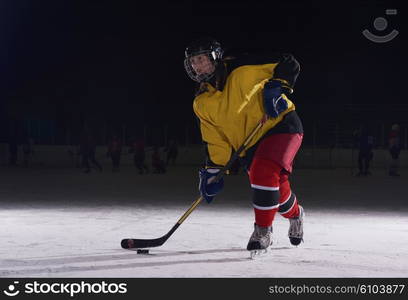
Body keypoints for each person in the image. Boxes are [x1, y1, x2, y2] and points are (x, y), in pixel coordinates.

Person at [184, 37, 304, 254]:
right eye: (193, 62)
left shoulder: (243, 65)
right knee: (276, 190)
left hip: (281, 125)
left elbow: (288, 62)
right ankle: (296, 214)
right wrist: (213, 170)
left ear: (215, 57)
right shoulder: (202, 102)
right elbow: (215, 139)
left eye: (201, 59)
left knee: (263, 171)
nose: (197, 65)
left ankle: (263, 232)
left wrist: (279, 85)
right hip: (250, 143)